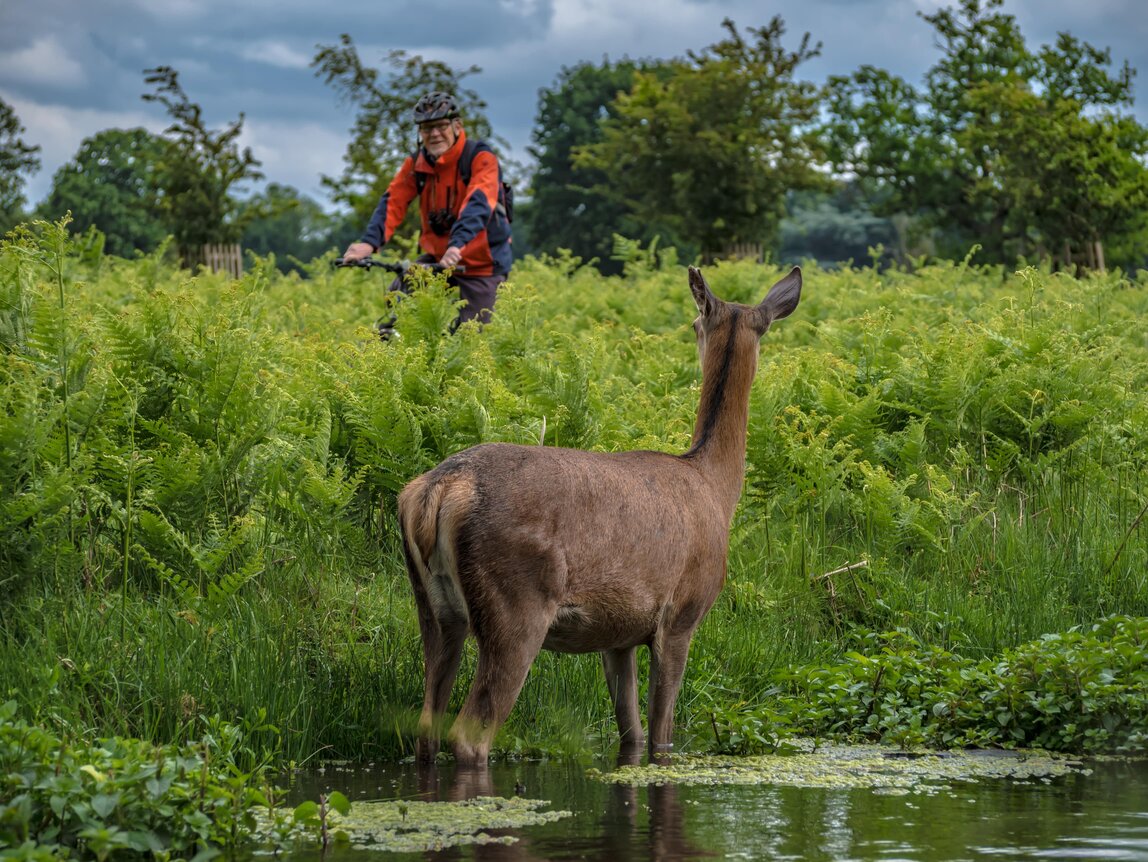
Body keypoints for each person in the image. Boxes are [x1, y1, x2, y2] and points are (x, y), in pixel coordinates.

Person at [342, 91, 512, 337]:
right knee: (400, 297)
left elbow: (479, 203)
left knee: (473, 337)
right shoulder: (417, 165)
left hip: (482, 262)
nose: (434, 134)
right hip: (439, 257)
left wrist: (458, 244)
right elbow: (393, 202)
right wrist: (369, 243)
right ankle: (400, 358)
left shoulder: (480, 158)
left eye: (441, 126)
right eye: (426, 128)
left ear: (457, 126)